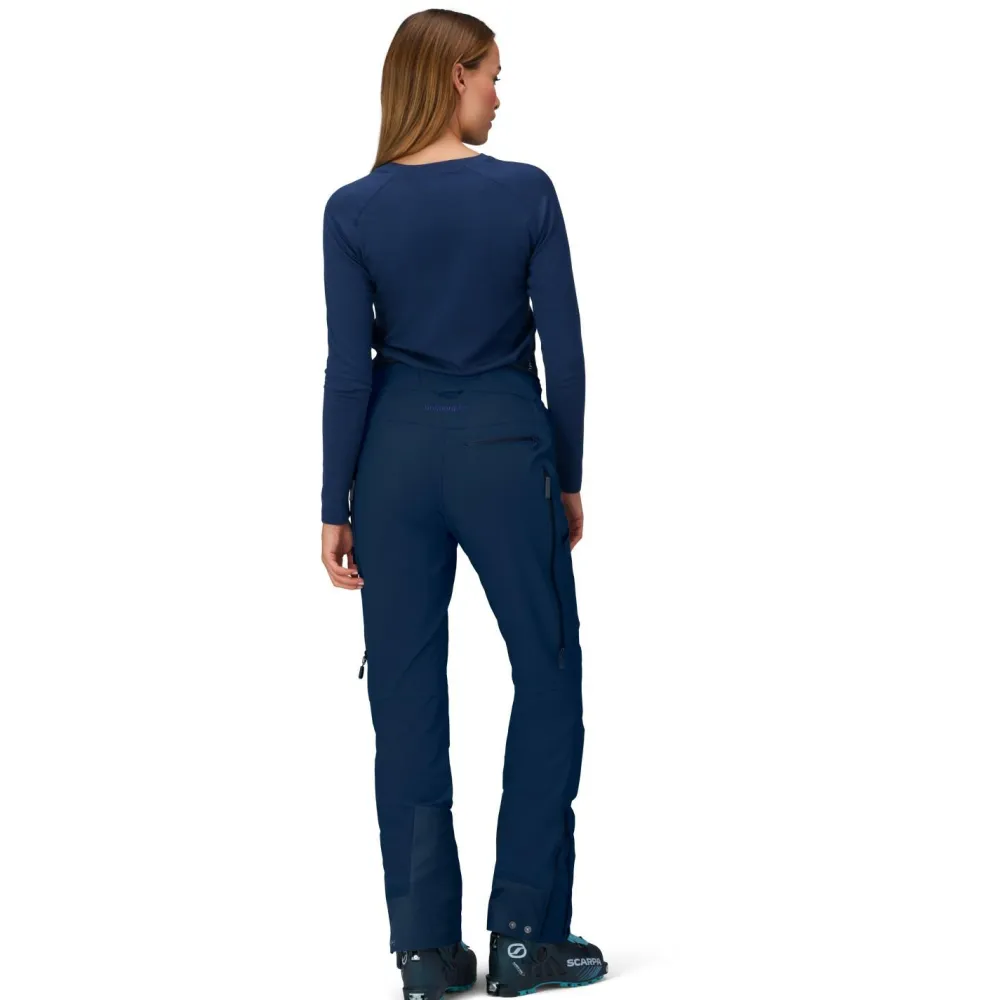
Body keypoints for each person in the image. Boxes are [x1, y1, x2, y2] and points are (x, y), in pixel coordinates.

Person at [319, 10, 607, 999]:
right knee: (548, 670)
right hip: (502, 449)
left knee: (404, 699)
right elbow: (564, 348)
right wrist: (567, 473)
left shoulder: (352, 209)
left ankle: (427, 954)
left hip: (391, 462)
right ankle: (525, 934)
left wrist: (334, 499)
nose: (498, 94)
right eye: (491, 74)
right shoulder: (524, 192)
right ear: (452, 77)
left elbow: (347, 368)